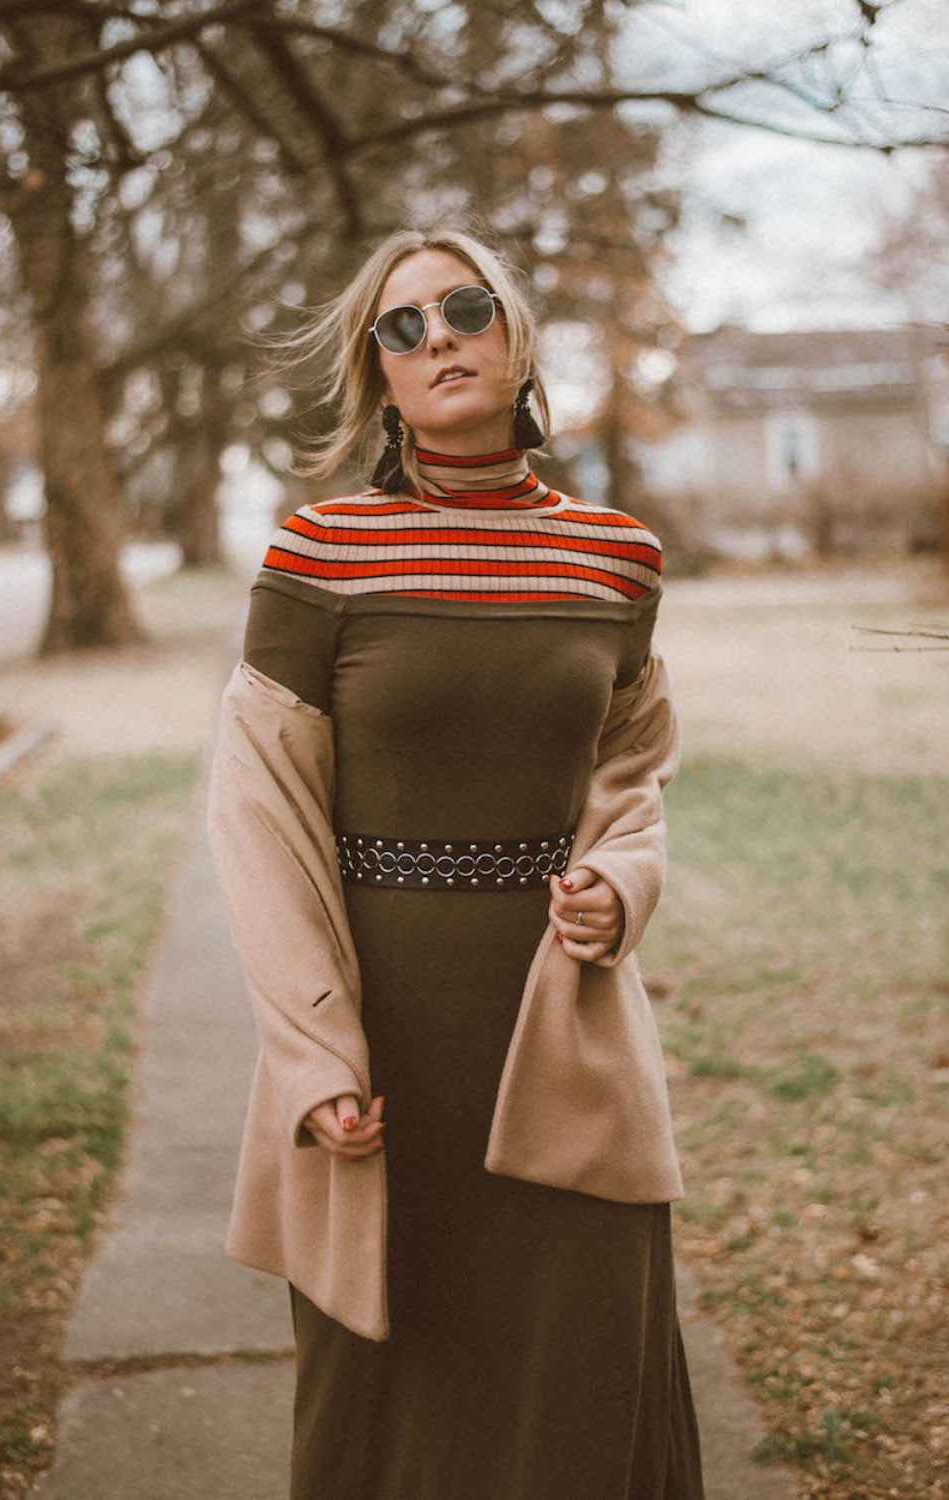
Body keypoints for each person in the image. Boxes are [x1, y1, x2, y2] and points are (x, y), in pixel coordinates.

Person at [207, 226, 705, 1499]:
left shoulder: (615, 558)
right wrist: (314, 1054)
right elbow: (258, 817)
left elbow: (634, 775)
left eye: (464, 310)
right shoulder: (318, 556)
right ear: (377, 376)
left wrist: (621, 884)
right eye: (401, 327)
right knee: (391, 1393)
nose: (438, 340)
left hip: (563, 1032)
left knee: (580, 1380)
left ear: (515, 335)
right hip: (381, 1040)